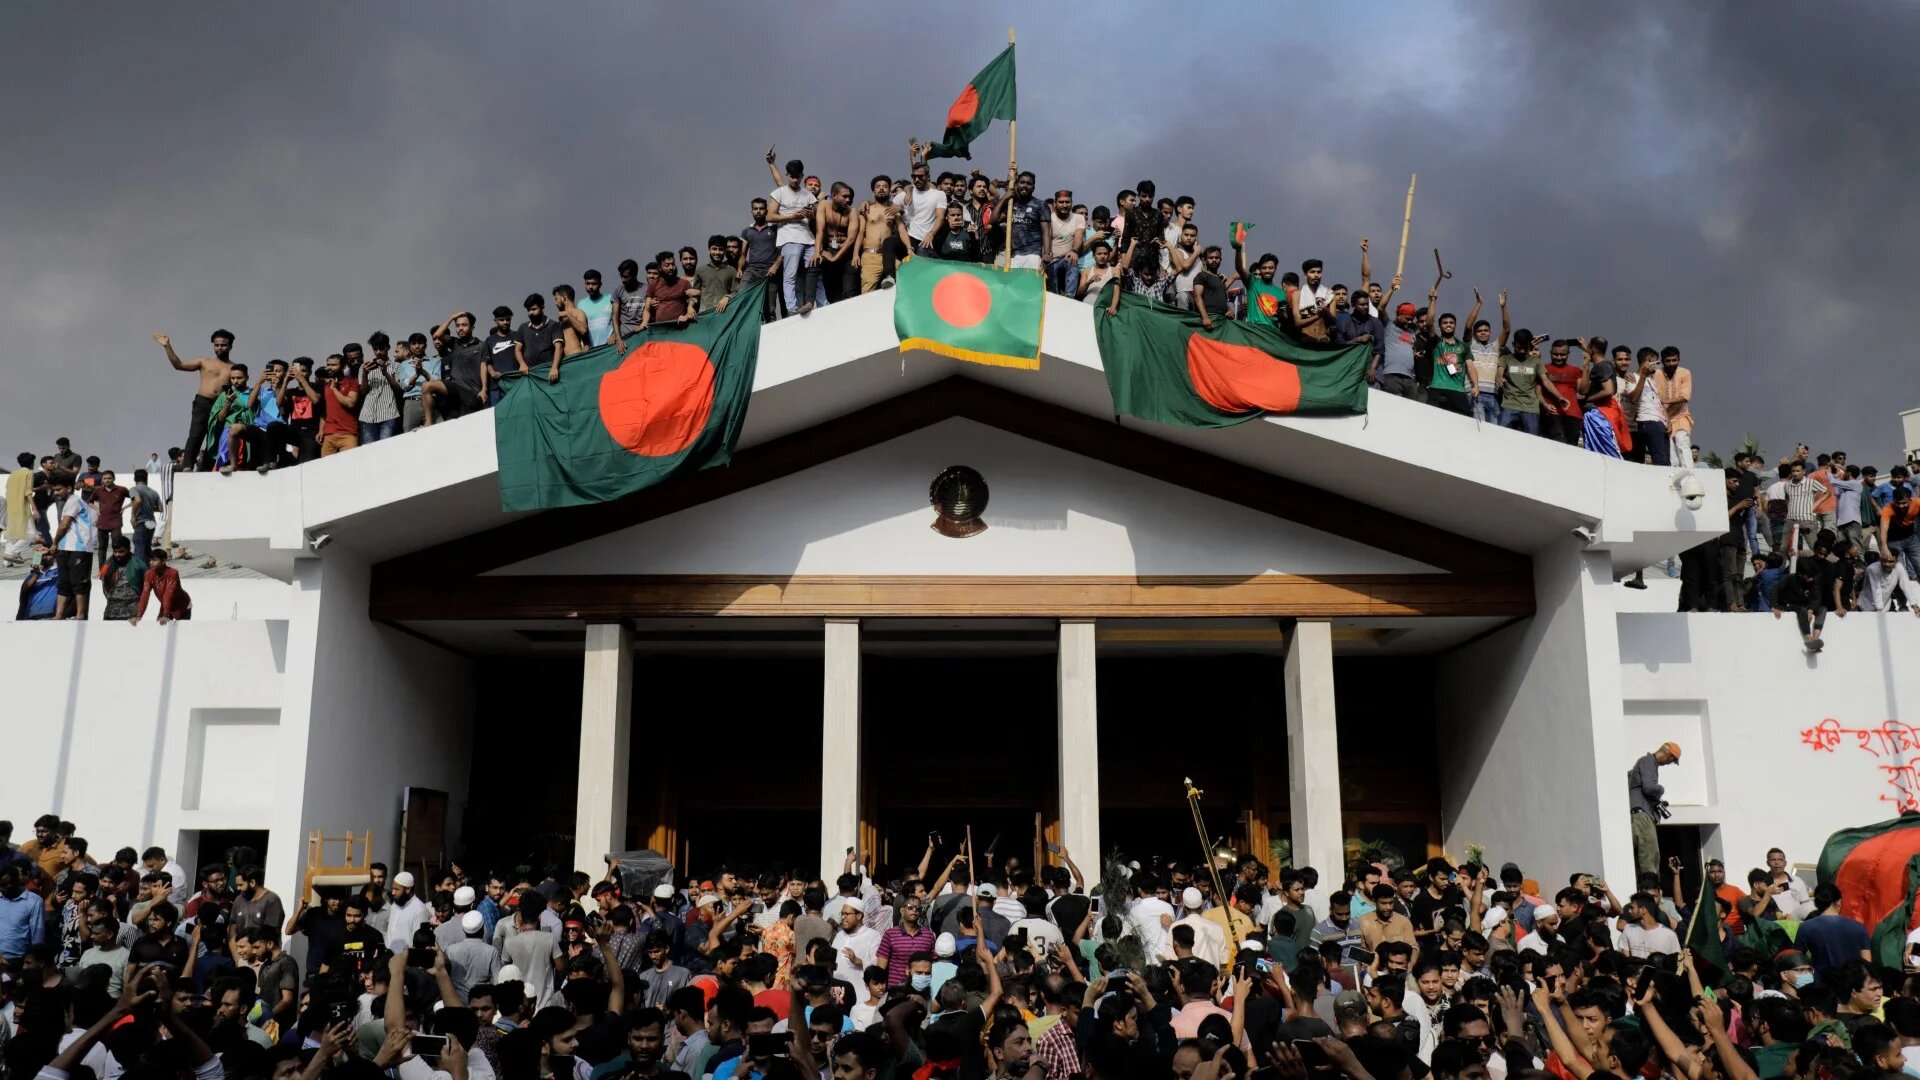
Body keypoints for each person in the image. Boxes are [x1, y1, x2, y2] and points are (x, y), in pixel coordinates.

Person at [154, 329, 236, 471]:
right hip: (203, 402)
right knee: (196, 434)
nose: (219, 348)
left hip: (221, 405)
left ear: (230, 346)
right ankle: (187, 465)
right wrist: (167, 346)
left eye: (223, 345)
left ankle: (208, 467)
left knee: (216, 437)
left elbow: (237, 387)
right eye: (216, 345)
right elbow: (178, 365)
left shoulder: (234, 368)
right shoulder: (204, 362)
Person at [769, 157, 825, 316]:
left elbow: (815, 215)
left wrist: (811, 214)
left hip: (808, 239)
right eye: (792, 176)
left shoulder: (808, 194)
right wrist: (793, 216)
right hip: (789, 238)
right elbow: (770, 216)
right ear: (787, 175)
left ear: (802, 175)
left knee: (816, 272)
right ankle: (792, 309)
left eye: (798, 176)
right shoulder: (779, 192)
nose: (795, 179)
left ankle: (823, 304)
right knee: (791, 274)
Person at [1627, 742, 1678, 877]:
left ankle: (1646, 890)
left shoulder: (1644, 764)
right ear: (1667, 753)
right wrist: (1661, 789)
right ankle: (1651, 893)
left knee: (1642, 861)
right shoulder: (1648, 762)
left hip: (1638, 815)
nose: (1669, 763)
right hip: (1643, 816)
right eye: (1672, 760)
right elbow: (1649, 788)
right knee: (1650, 859)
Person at [48, 475, 94, 620]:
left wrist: (54, 543)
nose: (55, 493)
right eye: (54, 490)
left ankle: (80, 614)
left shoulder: (74, 501)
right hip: (65, 547)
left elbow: (64, 525)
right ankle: (59, 614)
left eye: (58, 489)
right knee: (63, 582)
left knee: (78, 582)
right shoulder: (68, 501)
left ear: (68, 488)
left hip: (80, 548)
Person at [98, 534, 147, 621]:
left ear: (129, 550)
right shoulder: (107, 565)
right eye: (115, 552)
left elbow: (146, 587)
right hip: (111, 611)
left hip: (131, 612)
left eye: (121, 552)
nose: (117, 555)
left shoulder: (139, 565)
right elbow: (105, 586)